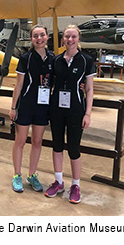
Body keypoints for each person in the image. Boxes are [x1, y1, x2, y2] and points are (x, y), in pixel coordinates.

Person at [45, 25, 96, 204]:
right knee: (57, 145)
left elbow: (89, 89)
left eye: (73, 36)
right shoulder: (56, 60)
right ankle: (58, 182)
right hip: (56, 109)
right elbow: (48, 83)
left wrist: (87, 114)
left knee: (74, 148)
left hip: (76, 110)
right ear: (63, 39)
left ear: (78, 39)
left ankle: (76, 185)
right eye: (67, 36)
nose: (70, 40)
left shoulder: (86, 60)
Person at [9, 24, 55, 193]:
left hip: (43, 107)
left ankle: (32, 175)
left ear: (47, 37)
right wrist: (13, 107)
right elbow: (19, 84)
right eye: (35, 36)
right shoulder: (26, 58)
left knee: (37, 142)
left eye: (42, 35)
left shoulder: (52, 58)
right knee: (20, 141)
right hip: (26, 105)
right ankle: (17, 175)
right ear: (31, 39)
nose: (39, 38)